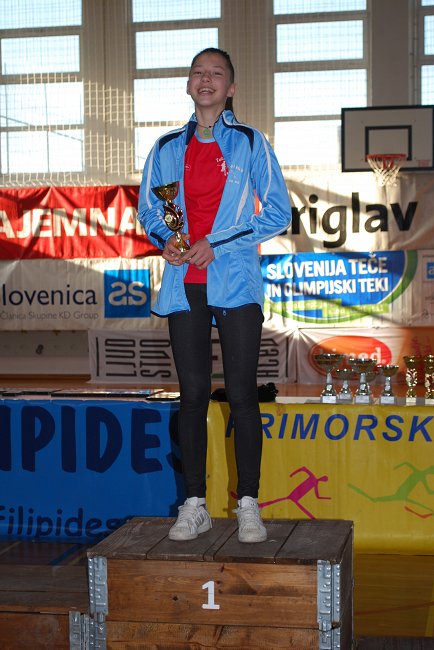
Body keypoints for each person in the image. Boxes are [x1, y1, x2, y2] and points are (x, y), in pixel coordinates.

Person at [138, 47, 291, 543]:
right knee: (192, 397)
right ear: (188, 85)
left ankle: (248, 504)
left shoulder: (250, 142)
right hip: (184, 285)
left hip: (236, 283)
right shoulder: (165, 148)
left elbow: (278, 213)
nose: (206, 80)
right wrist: (168, 240)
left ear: (231, 88)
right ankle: (194, 504)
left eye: (216, 73)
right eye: (198, 72)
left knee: (242, 395)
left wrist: (216, 243)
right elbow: (149, 211)